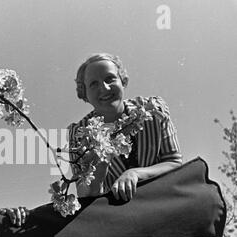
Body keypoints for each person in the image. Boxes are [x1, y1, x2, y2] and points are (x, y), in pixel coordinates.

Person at [68, 53, 182, 201]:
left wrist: (135, 174)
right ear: (85, 94)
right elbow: (84, 195)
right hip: (118, 213)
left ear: (123, 81)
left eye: (110, 78)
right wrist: (98, 171)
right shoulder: (79, 134)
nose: (104, 88)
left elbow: (174, 163)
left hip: (163, 199)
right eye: (94, 84)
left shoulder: (153, 109)